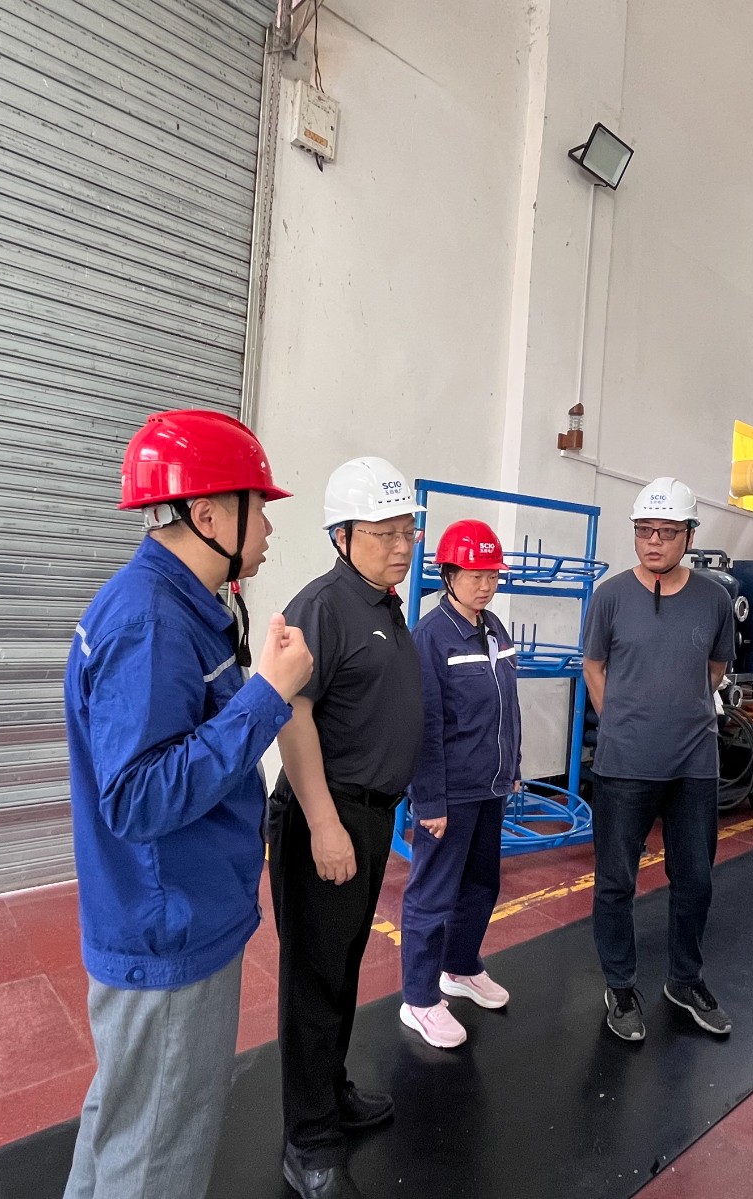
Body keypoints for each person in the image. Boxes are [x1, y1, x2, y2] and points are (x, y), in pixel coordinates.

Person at [62, 410, 313, 1199]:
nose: (268, 526)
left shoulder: (178, 605)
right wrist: (267, 695)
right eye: (258, 506)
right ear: (208, 515)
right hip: (169, 927)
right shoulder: (151, 620)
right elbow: (136, 797)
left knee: (126, 1121)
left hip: (166, 912)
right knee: (156, 1154)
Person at [269, 456, 427, 1199]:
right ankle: (308, 1141)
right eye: (384, 532)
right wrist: (325, 825)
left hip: (368, 815)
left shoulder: (383, 604)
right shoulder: (324, 606)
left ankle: (329, 1093)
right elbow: (291, 713)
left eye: (408, 531)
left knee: (341, 967)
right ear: (341, 536)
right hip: (326, 815)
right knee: (313, 980)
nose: (401, 545)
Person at [582, 476, 736, 1043]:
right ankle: (620, 986)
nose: (653, 541)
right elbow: (593, 665)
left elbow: (715, 669)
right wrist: (621, 720)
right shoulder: (610, 596)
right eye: (644, 530)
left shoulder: (714, 599)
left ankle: (684, 980)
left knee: (694, 879)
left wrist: (681, 710)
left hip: (694, 763)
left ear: (689, 536)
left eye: (667, 532)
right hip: (623, 764)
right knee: (615, 882)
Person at [398, 519, 522, 1049]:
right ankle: (419, 999)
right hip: (450, 795)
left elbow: (507, 707)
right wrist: (429, 800)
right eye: (474, 575)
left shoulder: (494, 628)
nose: (485, 585)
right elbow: (422, 726)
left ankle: (461, 966)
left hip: (490, 787)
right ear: (448, 575)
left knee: (481, 886)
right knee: (432, 895)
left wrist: (513, 767)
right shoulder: (430, 637)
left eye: (492, 575)